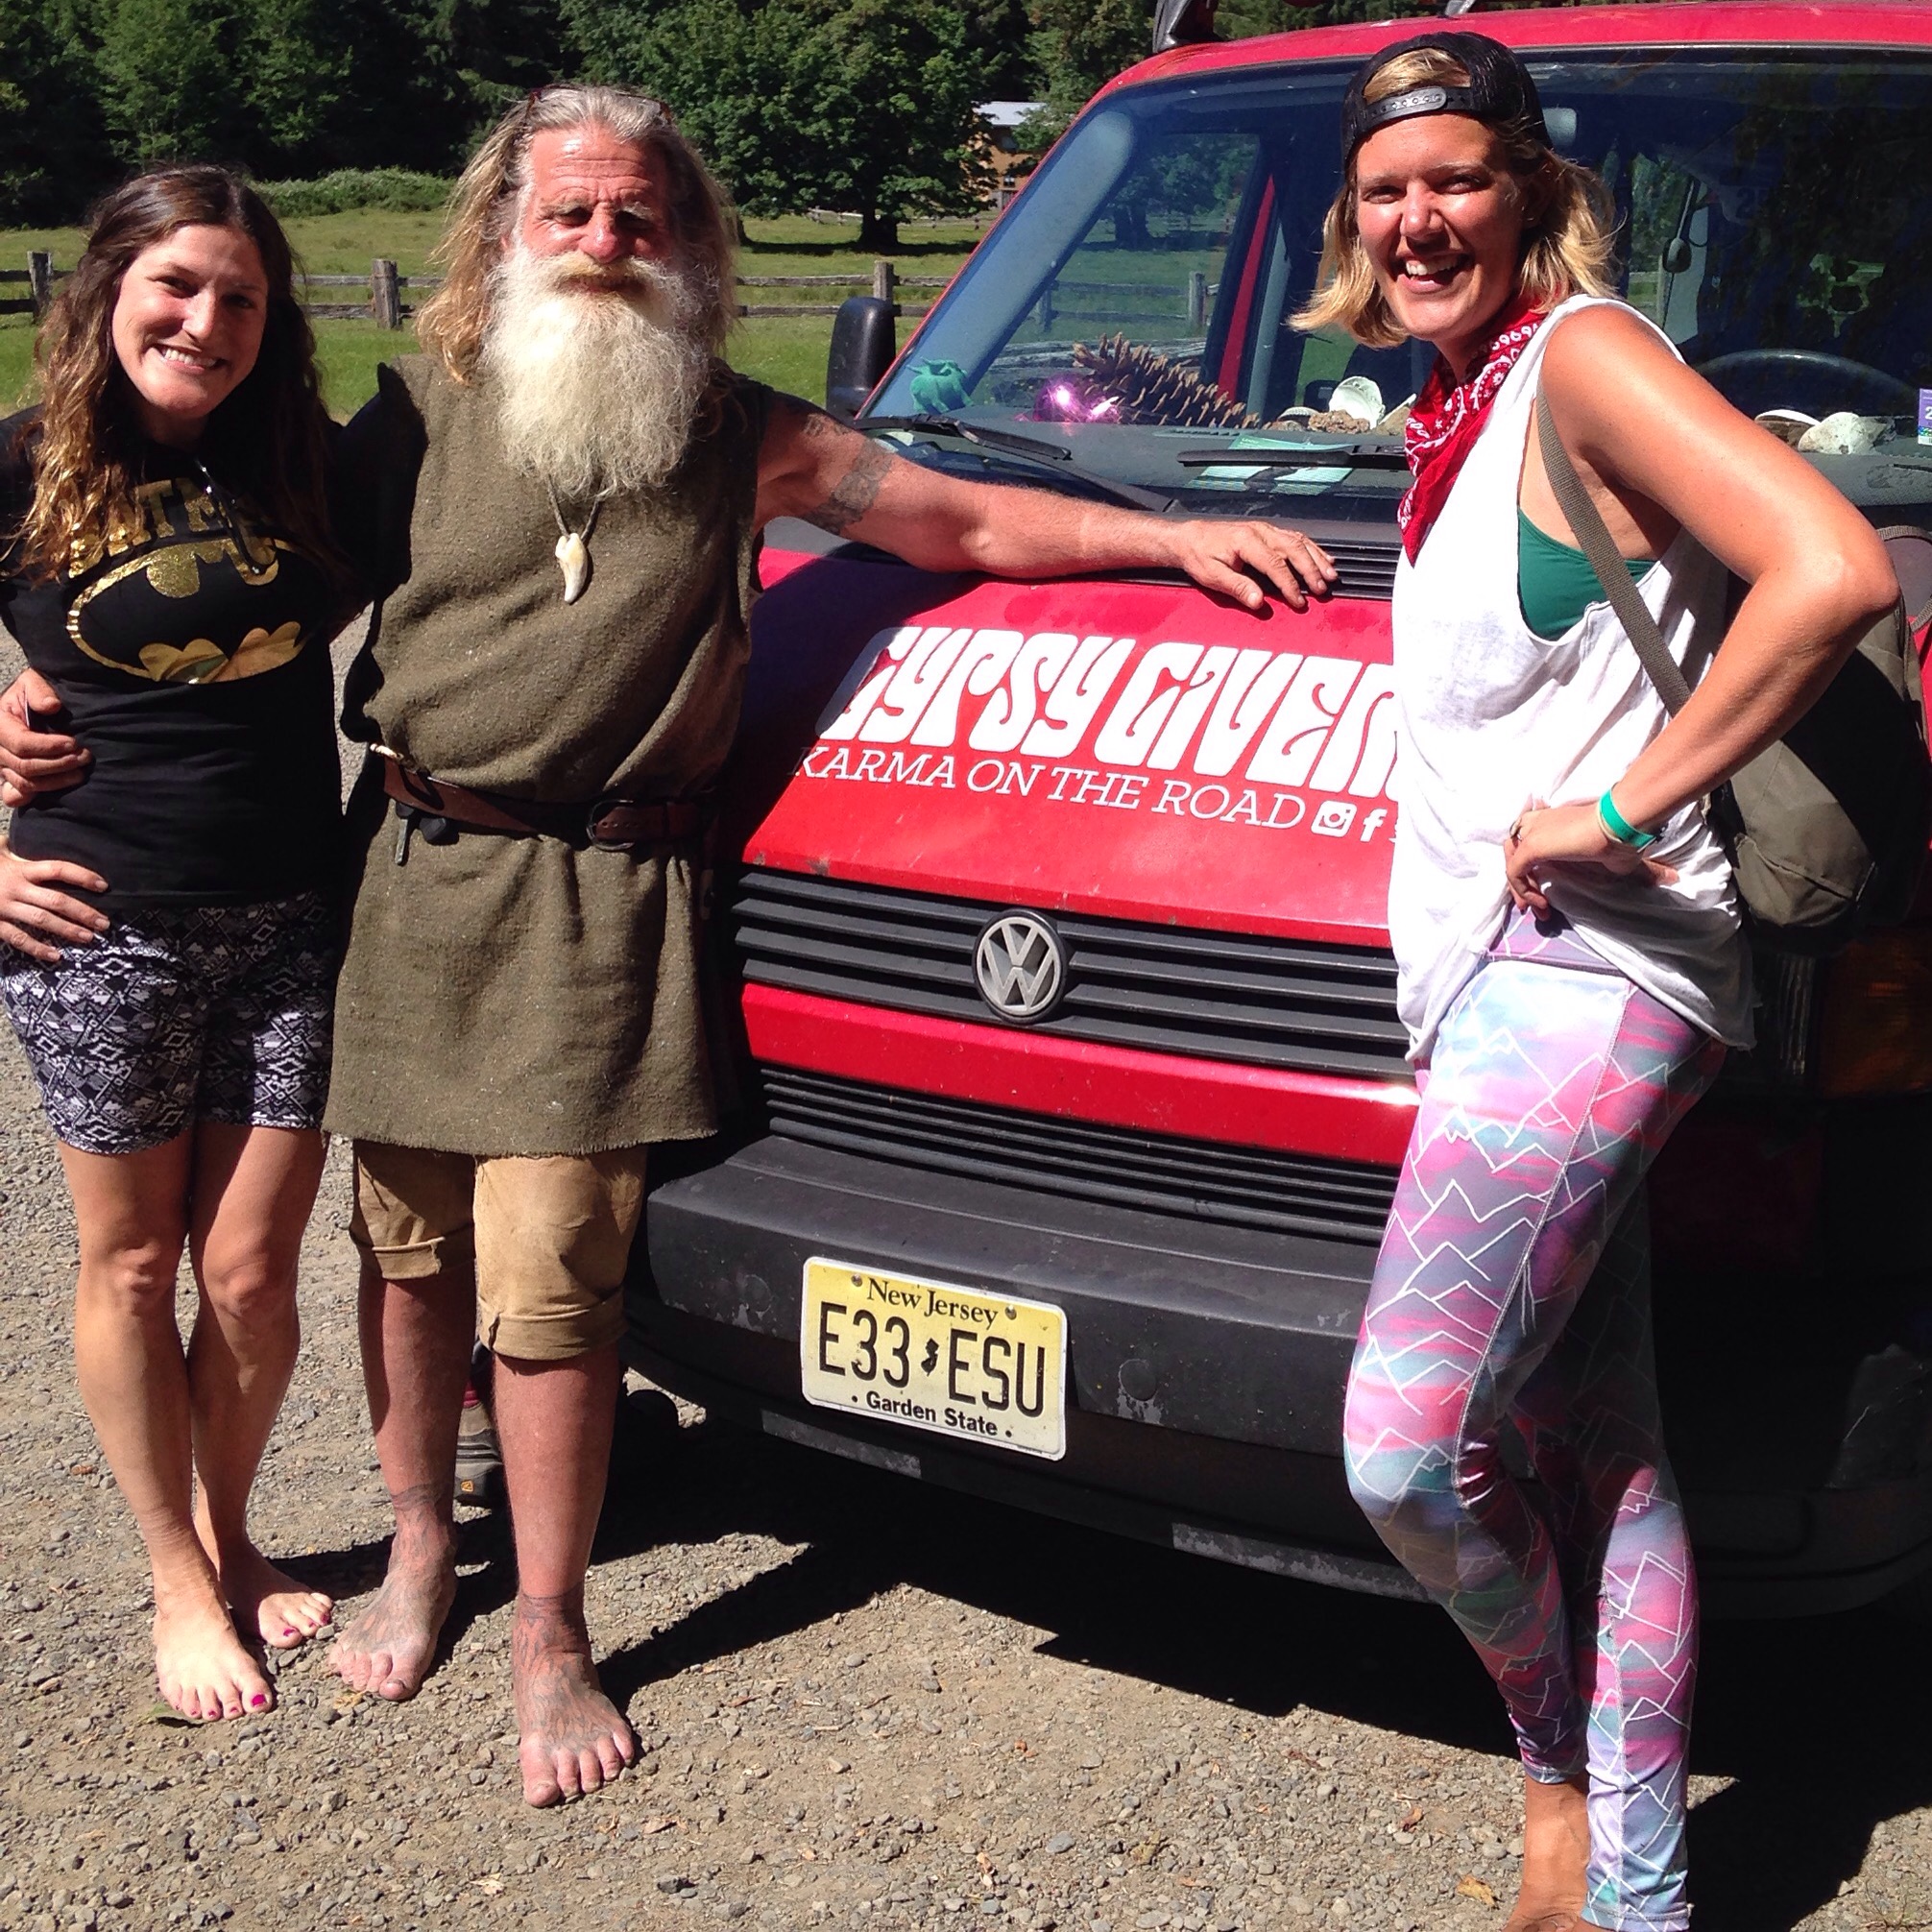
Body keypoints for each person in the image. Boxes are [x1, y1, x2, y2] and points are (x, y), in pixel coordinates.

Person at [5, 86, 1339, 1807]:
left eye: (639, 216)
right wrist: (27, 728)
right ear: (505, 230)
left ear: (688, 241)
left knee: (556, 1274)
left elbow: (961, 520)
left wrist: (1171, 536)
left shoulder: (739, 428)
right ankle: (419, 1553)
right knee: (405, 1257)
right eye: (568, 214)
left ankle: (550, 1627)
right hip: (406, 881)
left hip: (598, 904)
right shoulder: (412, 413)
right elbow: (248, 614)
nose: (604, 244)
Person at [1298, 33, 1899, 1932]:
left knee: (1408, 1450)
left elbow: (1830, 568)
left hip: (1590, 971)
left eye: (1458, 180)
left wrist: (1627, 801)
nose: (1419, 221)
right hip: (1491, 982)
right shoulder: (1455, 402)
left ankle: (1556, 1765)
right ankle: (1634, 1893)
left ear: (1532, 194)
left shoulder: (1582, 359)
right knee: (1602, 1450)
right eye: (1386, 192)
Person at [0, 168, 355, 1722]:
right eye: (178, 285)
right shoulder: (21, 466)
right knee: (136, 1262)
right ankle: (174, 1576)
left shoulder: (302, 464)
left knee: (255, 1271)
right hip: (101, 924)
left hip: (292, 919)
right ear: (108, 291)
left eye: (242, 298)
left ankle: (233, 1531)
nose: (206, 322)